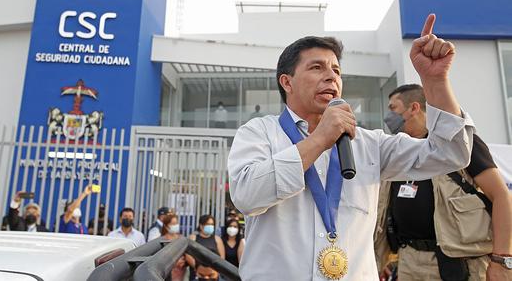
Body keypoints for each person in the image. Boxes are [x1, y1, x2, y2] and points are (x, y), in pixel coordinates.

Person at [228, 14, 476, 280]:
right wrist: (319, 140)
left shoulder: (369, 143)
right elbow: (246, 196)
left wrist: (435, 81)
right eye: (317, 68)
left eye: (336, 70)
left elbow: (451, 154)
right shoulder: (259, 133)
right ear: (287, 82)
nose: (330, 77)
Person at [375, 84, 512, 281]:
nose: (389, 116)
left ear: (414, 108)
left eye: (393, 108)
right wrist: (382, 257)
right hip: (409, 261)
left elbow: (501, 196)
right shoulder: (396, 152)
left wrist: (502, 260)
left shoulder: (459, 144)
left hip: (459, 262)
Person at [188, 214, 225, 280]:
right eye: (208, 224)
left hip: (213, 273)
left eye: (212, 224)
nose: (210, 226)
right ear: (201, 225)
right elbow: (188, 255)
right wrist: (199, 267)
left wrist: (213, 269)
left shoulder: (217, 239)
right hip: (197, 273)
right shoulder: (193, 238)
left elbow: (222, 257)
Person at [160, 214, 189, 281]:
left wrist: (184, 260)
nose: (175, 225)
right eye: (173, 224)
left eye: (176, 223)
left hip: (181, 271)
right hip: (168, 272)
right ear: (166, 226)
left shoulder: (181, 238)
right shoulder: (162, 240)